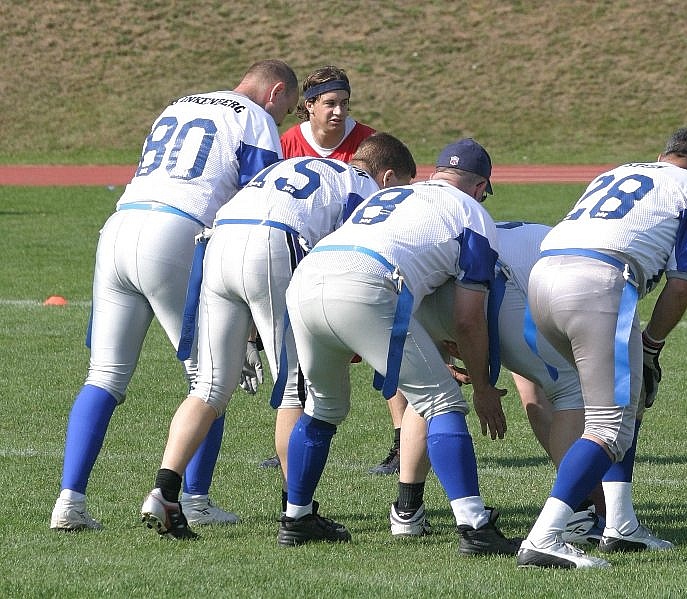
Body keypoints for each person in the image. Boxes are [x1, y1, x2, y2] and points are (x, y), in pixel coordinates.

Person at [49, 60, 299, 532]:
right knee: (210, 379)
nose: (281, 117)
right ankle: (195, 498)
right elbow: (258, 199)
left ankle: (69, 500)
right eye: (285, 108)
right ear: (276, 92)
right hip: (176, 231)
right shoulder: (254, 118)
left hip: (119, 225)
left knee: (103, 375)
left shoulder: (178, 105)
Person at [139, 133, 417, 539]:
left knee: (209, 386)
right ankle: (297, 511)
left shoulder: (290, 167)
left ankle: (164, 491)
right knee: (293, 391)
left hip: (221, 240)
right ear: (388, 177)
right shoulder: (364, 187)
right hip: (273, 242)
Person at [280, 138, 519, 556]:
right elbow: (468, 317)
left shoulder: (390, 194)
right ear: (480, 186)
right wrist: (483, 386)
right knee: (442, 404)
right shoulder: (472, 213)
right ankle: (474, 526)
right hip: (366, 282)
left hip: (306, 278)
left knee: (321, 408)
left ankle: (296, 518)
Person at [517, 126, 687, 569]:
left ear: (663, 155)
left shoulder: (617, 171)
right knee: (610, 424)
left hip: (542, 279)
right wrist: (652, 345)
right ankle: (545, 537)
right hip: (597, 285)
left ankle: (621, 524)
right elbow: (683, 282)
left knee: (623, 402)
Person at [388, 221, 610, 543]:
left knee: (430, 394)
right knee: (570, 390)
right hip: (486, 295)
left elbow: (531, 392)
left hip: (414, 294)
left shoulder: (500, 232)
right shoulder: (588, 261)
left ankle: (407, 511)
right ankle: (580, 512)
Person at [260, 65, 401, 476]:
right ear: (308, 106)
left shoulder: (369, 144)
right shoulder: (286, 143)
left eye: (344, 103)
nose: (339, 111)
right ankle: (292, 443)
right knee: (295, 355)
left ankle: (401, 440)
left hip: (356, 261)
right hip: (298, 262)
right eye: (330, 103)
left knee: (387, 349)